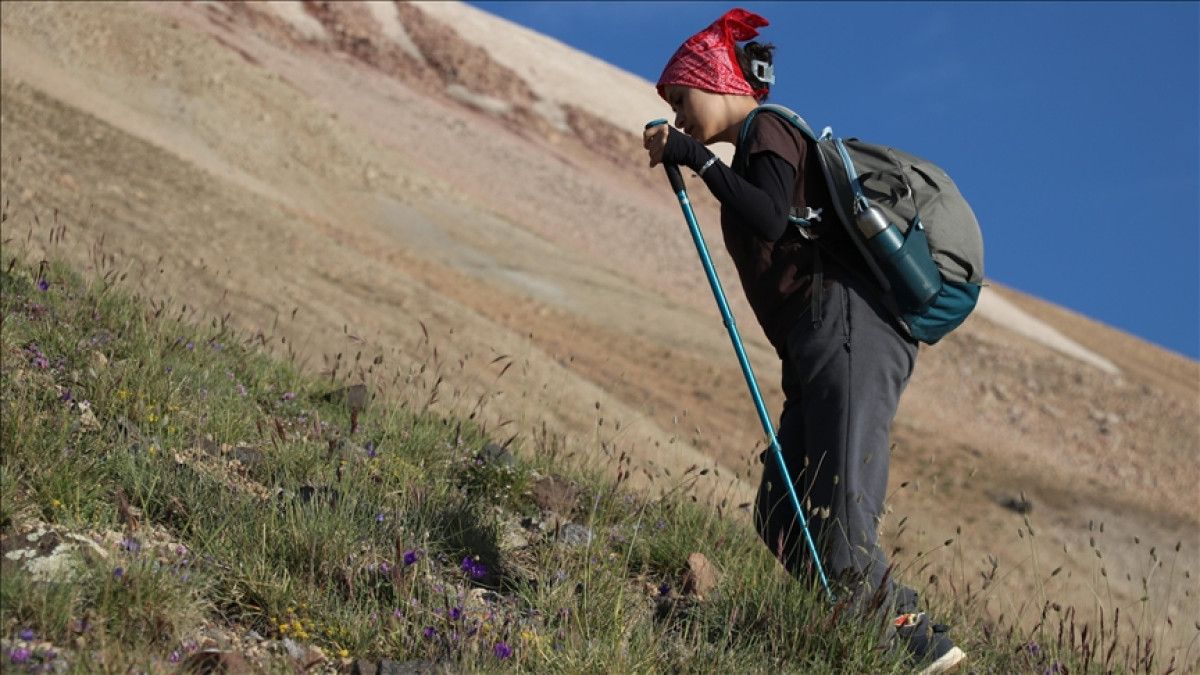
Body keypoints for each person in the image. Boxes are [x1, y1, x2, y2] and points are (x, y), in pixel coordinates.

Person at [642, 8, 966, 674]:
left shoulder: (770, 130)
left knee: (843, 527)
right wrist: (700, 157)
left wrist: (694, 156)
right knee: (779, 510)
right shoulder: (756, 148)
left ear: (714, 79)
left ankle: (913, 645)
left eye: (682, 98)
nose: (678, 116)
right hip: (814, 347)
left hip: (848, 331)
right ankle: (855, 636)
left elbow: (766, 214)